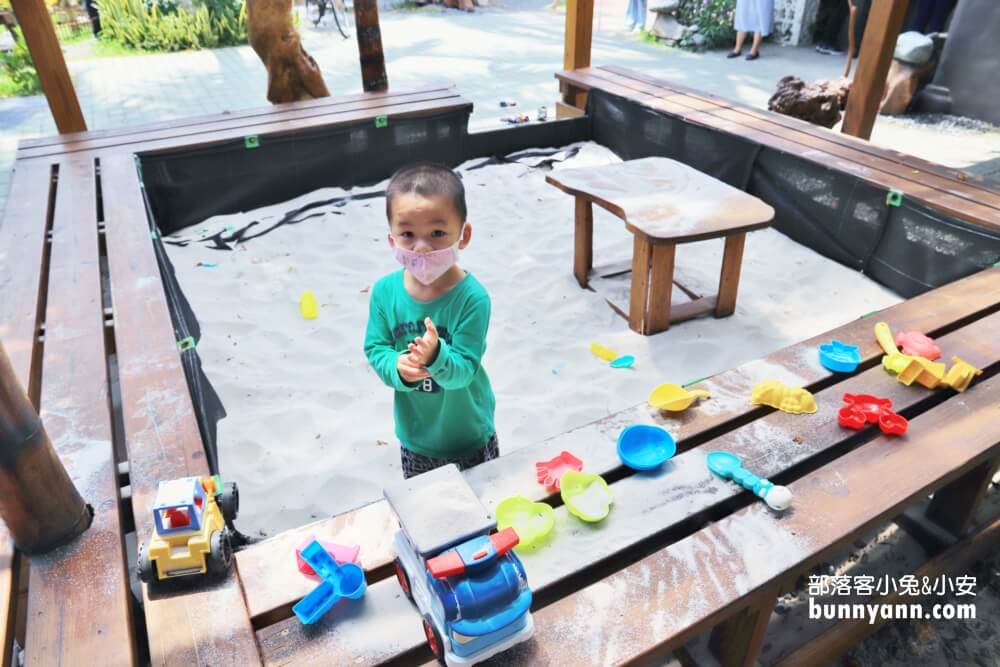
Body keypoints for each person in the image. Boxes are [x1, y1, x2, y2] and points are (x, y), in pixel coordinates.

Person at [364, 163, 497, 479]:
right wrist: (397, 366)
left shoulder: (472, 298)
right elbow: (376, 347)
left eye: (437, 233)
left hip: (469, 435)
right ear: (391, 239)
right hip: (417, 438)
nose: (421, 247)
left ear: (463, 235)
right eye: (407, 234)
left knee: (484, 513)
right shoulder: (385, 293)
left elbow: (463, 369)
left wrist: (436, 355)